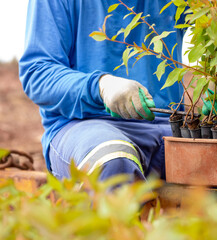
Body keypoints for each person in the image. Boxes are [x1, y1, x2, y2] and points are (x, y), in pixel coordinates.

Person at [19, 0, 185, 182]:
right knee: (113, 161)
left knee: (216, 158)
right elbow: (38, 73)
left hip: (173, 127)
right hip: (86, 125)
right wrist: (101, 86)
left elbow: (214, 19)